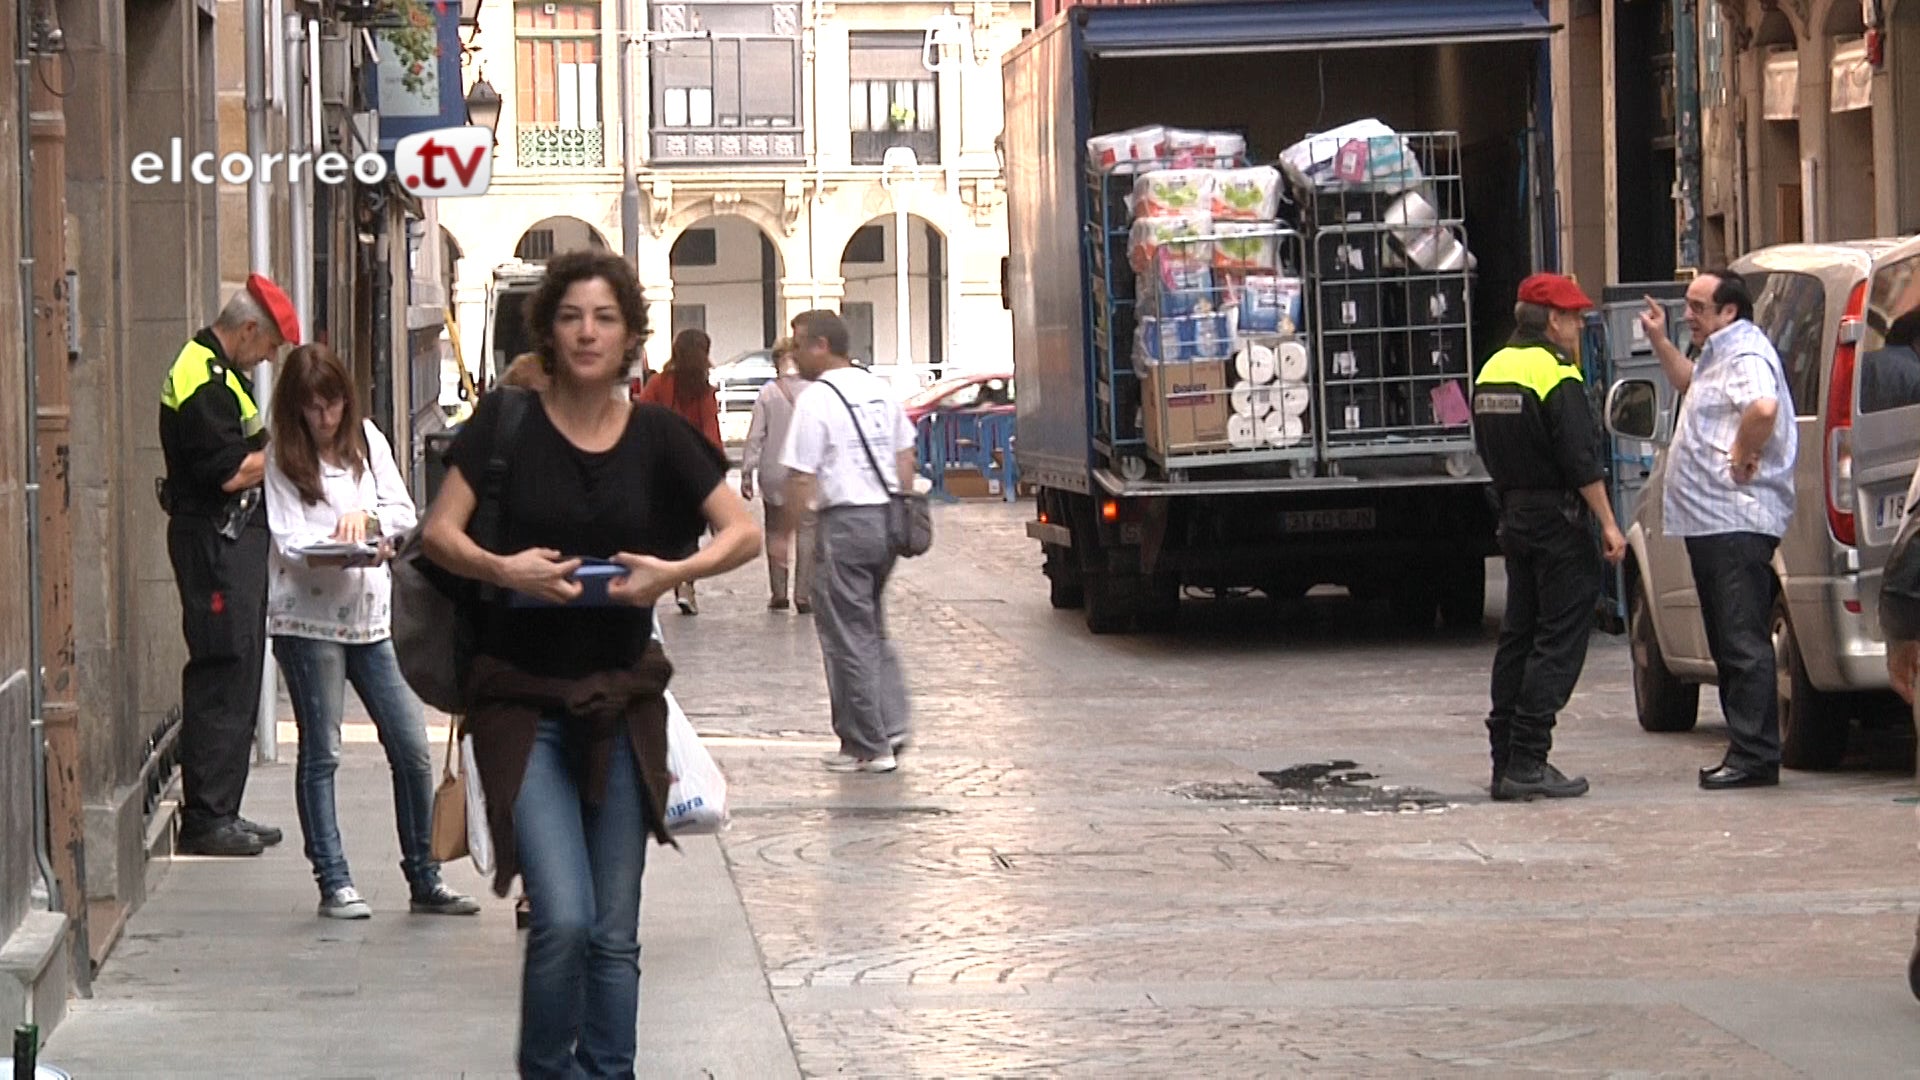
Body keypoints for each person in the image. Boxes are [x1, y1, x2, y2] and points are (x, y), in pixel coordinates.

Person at [421, 250, 759, 1077]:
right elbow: (439, 534)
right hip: (520, 701)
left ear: (630, 335)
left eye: (605, 318)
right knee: (564, 918)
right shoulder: (504, 425)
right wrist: (507, 571)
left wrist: (673, 573)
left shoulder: (659, 436)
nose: (587, 331)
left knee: (615, 931)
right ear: (549, 328)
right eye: (572, 315)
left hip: (621, 702)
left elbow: (742, 531)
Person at [263, 344, 481, 920]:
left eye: (331, 404)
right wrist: (335, 545)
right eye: (311, 408)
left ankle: (423, 874)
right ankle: (333, 878)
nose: (324, 418)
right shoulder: (280, 457)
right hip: (307, 621)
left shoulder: (366, 438)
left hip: (371, 616)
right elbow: (288, 540)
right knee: (323, 749)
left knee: (411, 747)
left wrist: (374, 527)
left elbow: (406, 514)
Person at [1470, 273, 1628, 801]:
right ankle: (1530, 758)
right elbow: (1581, 459)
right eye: (1575, 318)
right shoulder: (1556, 373)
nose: (1580, 326)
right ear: (1553, 321)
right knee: (1559, 639)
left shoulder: (1492, 368)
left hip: (1515, 515)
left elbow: (1487, 451)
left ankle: (1504, 761)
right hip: (1558, 521)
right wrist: (1607, 521)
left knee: (1518, 633)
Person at [1640, 269, 1798, 790]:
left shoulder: (1746, 353)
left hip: (1735, 519)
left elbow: (1764, 406)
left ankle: (1754, 755)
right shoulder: (1718, 352)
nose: (1689, 315)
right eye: (1686, 305)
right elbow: (1691, 382)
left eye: (1698, 307)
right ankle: (1746, 748)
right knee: (1728, 637)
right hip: (1714, 522)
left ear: (1730, 311)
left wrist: (1744, 452)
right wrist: (1660, 340)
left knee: (1740, 639)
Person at [158, 274, 298, 857]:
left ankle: (224, 808)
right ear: (248, 330)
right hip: (214, 543)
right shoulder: (201, 376)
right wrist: (291, 451)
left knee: (239, 667)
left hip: (229, 543)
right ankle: (208, 817)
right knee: (222, 665)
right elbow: (230, 471)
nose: (269, 359)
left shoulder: (224, 375)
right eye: (268, 347)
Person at [779, 310, 917, 774]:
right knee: (872, 628)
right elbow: (904, 454)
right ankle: (891, 725)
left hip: (845, 521)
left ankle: (868, 744)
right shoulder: (878, 388)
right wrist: (895, 507)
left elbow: (801, 475)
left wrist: (790, 533)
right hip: (885, 519)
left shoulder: (818, 399)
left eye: (798, 345)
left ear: (821, 345)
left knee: (846, 635)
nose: (793, 355)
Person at [635, 328, 724, 615]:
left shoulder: (660, 383)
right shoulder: (703, 390)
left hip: (659, 468)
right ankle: (684, 584)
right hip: (691, 468)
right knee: (687, 534)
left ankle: (648, 582)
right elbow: (711, 433)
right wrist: (714, 469)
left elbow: (639, 417)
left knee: (654, 527)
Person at [741, 337, 817, 612]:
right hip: (807, 472)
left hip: (774, 472)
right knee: (808, 532)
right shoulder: (815, 391)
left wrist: (747, 471)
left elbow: (756, 437)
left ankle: (779, 592)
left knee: (776, 529)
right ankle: (804, 594)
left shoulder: (768, 393)